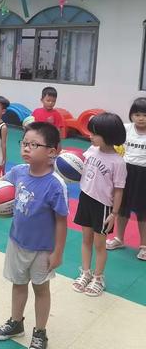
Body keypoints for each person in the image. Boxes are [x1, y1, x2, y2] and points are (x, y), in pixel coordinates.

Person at [0, 122, 68, 349]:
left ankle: (40, 332)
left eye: (33, 145)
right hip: (17, 242)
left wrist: (58, 252)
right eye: (24, 143)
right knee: (18, 283)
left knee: (41, 289)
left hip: (42, 249)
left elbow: (62, 221)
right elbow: (0, 187)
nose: (26, 148)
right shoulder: (19, 171)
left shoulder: (55, 185)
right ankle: (16, 323)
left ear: (52, 152)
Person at [72, 112, 127, 296]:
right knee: (86, 239)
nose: (90, 136)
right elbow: (80, 166)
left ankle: (98, 277)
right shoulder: (91, 150)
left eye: (94, 134)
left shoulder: (118, 162)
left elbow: (119, 190)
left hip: (103, 206)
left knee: (99, 245)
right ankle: (85, 272)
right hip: (85, 198)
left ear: (108, 136)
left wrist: (114, 213)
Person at [106, 98, 146, 260]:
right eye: (137, 114)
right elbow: (111, 141)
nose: (141, 118)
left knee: (143, 212)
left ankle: (144, 245)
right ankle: (119, 239)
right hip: (125, 172)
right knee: (122, 208)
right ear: (131, 115)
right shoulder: (125, 129)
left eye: (145, 115)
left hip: (143, 175)